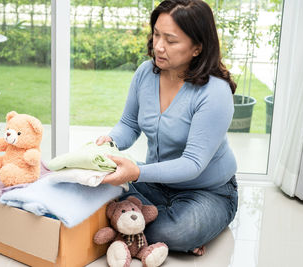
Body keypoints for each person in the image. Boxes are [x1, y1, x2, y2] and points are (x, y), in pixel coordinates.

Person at [96, 0, 238, 256]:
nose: (158, 46)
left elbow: (193, 163)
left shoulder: (215, 92)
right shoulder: (144, 73)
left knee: (176, 232)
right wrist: (109, 141)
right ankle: (141, 222)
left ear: (197, 47)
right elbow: (128, 124)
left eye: (171, 41)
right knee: (97, 188)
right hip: (156, 181)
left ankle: (140, 224)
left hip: (207, 191)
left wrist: (136, 173)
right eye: (157, 35)